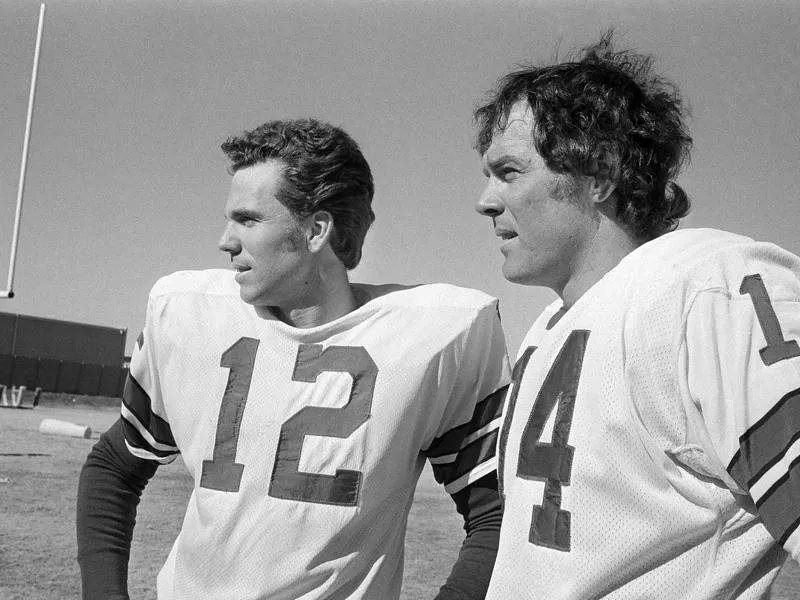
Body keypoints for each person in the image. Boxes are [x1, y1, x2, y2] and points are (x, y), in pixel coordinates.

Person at [77, 118, 510, 600]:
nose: (225, 240)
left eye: (248, 219)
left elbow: (493, 512)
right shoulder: (190, 315)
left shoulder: (438, 334)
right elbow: (115, 465)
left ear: (316, 229)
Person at [473, 32, 800, 599]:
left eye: (509, 171)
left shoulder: (708, 287)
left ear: (597, 174)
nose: (485, 199)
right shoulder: (550, 328)